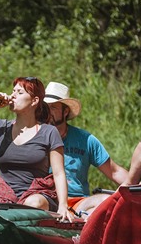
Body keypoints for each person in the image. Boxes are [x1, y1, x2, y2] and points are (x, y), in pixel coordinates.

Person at [0, 76, 72, 222]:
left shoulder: (49, 132)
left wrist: (63, 206)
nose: (13, 95)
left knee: (32, 203)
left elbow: (59, 173)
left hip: (37, 197)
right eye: (13, 91)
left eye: (19, 92)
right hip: (4, 197)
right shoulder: (1, 127)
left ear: (34, 101)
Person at [45, 81, 128, 217]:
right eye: (45, 107)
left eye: (53, 107)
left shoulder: (85, 139)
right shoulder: (36, 136)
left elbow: (114, 171)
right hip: (47, 199)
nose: (48, 112)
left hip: (78, 201)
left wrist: (140, 187)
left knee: (105, 201)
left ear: (65, 111)